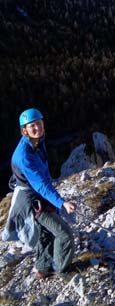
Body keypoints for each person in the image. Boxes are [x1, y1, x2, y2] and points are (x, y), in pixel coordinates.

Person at [5, 108, 76, 278]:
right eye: (32, 126)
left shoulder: (36, 142)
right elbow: (40, 185)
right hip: (31, 200)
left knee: (45, 233)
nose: (37, 127)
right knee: (64, 233)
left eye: (39, 123)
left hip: (36, 196)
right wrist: (61, 202)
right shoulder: (25, 155)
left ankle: (43, 269)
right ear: (24, 130)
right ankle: (61, 269)